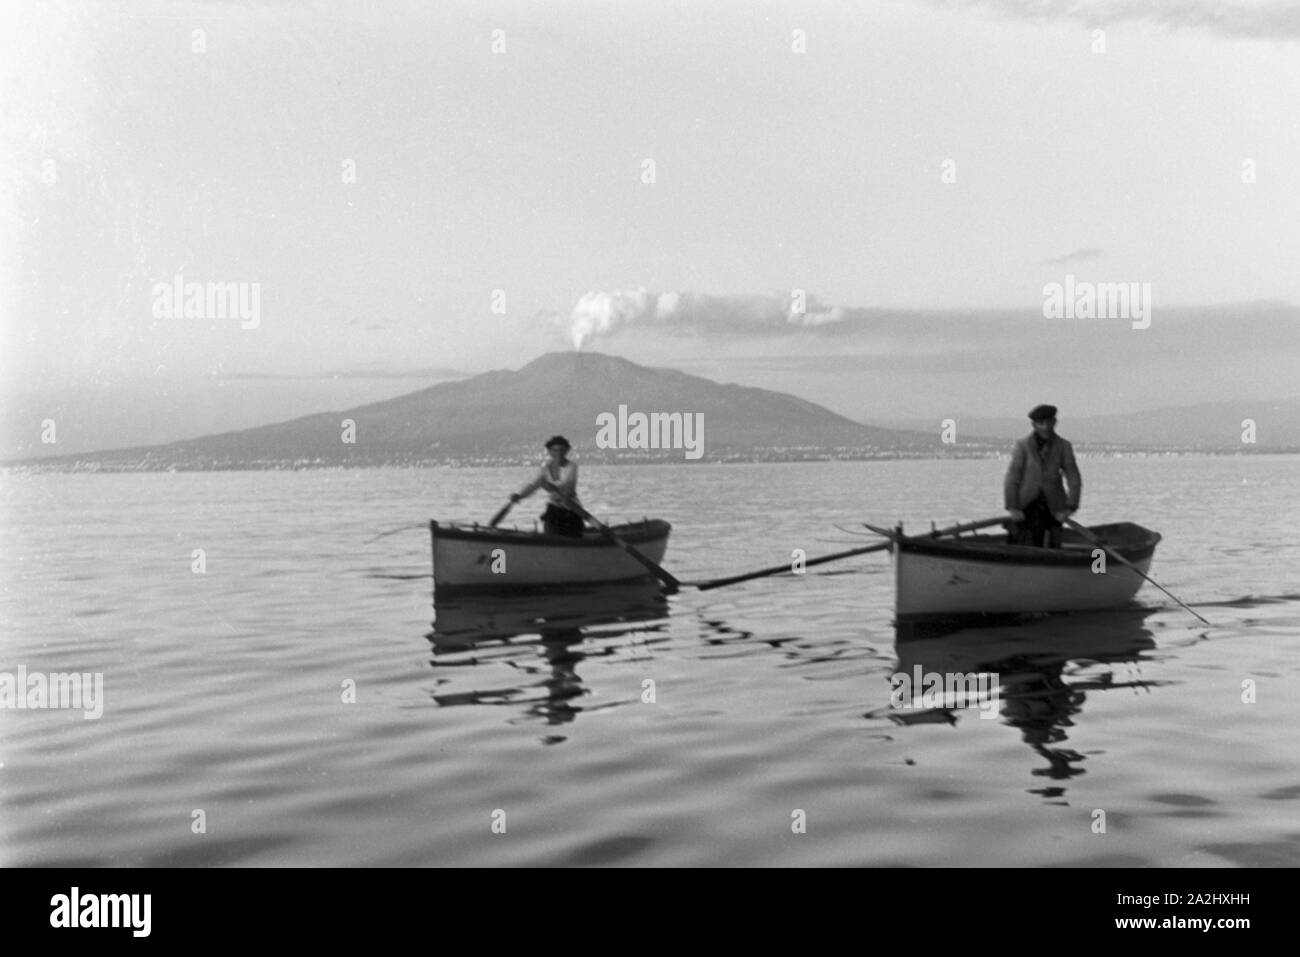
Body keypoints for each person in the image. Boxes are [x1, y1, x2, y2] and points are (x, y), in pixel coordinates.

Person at [1004, 405, 1081, 548]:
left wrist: (1070, 508)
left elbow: (1073, 478)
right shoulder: (1023, 446)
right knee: (1022, 543)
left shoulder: (1063, 446)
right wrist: (1013, 507)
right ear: (1034, 425)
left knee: (1053, 545)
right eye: (1041, 423)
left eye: (1048, 422)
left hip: (1054, 508)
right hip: (1025, 507)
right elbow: (1012, 479)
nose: (1045, 427)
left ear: (1054, 422)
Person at [512, 435, 584, 537]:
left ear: (567, 451)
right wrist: (519, 495)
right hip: (553, 510)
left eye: (562, 450)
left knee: (574, 537)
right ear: (550, 452)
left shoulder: (572, 467)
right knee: (551, 536)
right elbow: (533, 485)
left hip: (571, 510)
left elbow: (569, 489)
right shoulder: (546, 468)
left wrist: (549, 487)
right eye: (555, 450)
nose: (558, 453)